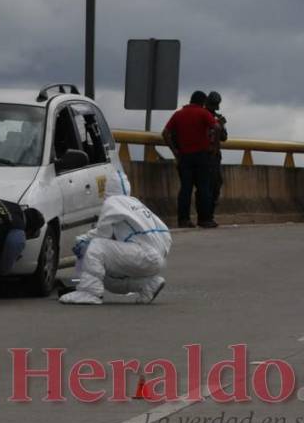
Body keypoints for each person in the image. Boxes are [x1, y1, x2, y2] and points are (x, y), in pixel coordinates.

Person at [59, 169, 172, 305]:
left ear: (108, 188)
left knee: (96, 247)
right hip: (157, 257)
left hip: (144, 254)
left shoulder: (112, 202)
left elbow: (103, 235)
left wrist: (85, 244)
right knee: (106, 276)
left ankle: (89, 292)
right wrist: (86, 237)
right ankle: (148, 285)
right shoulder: (135, 203)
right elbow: (165, 232)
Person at [162, 91, 221, 229]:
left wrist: (175, 151)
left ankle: (183, 220)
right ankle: (205, 220)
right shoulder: (203, 113)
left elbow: (165, 133)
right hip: (202, 156)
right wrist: (215, 148)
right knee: (204, 188)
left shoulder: (179, 114)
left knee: (185, 189)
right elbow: (217, 127)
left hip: (184, 157)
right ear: (202, 102)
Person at [205, 91, 228, 211]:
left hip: (215, 156)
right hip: (205, 154)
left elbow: (224, 137)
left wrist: (221, 125)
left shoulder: (217, 118)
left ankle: (211, 209)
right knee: (206, 185)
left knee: (216, 183)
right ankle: (206, 212)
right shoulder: (202, 115)